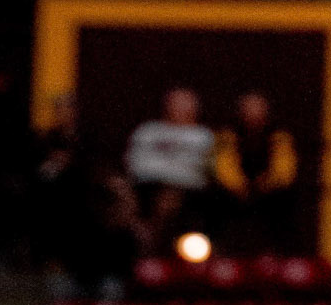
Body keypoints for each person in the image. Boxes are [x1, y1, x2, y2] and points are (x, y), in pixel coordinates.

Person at [211, 93, 297, 254]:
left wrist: (264, 185)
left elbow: (284, 170)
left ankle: (277, 252)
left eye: (257, 109)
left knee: (284, 199)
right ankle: (220, 250)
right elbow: (222, 167)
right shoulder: (228, 134)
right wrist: (241, 187)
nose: (252, 113)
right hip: (235, 191)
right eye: (248, 109)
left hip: (267, 191)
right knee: (215, 197)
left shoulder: (279, 136)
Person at [125, 88, 214, 243]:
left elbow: (204, 169)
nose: (180, 108)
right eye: (176, 103)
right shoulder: (148, 131)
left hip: (190, 193)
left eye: (185, 104)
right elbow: (136, 164)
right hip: (149, 189)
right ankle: (143, 238)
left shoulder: (203, 136)